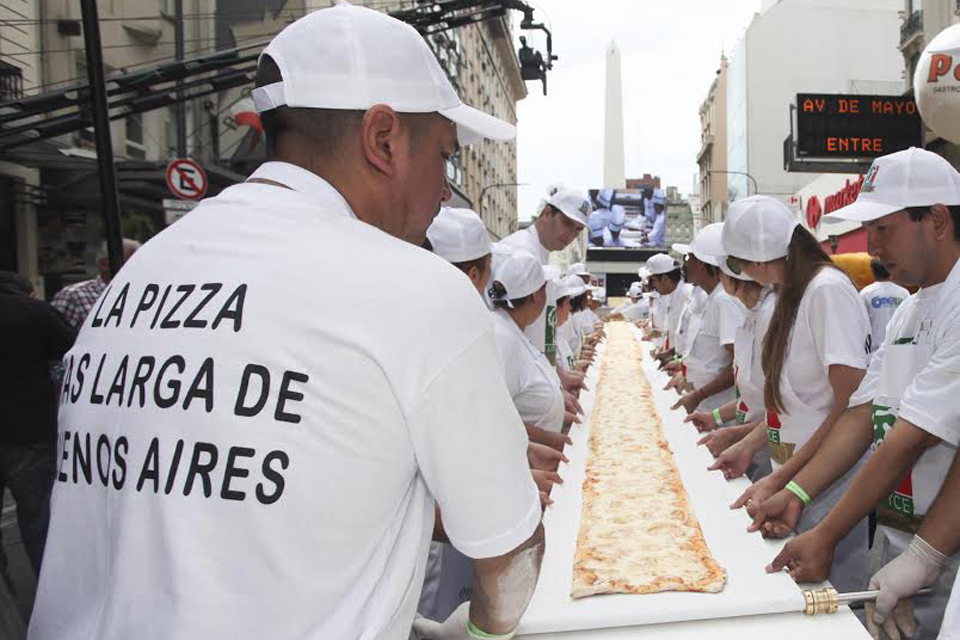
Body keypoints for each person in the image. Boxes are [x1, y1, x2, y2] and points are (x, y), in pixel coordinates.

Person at [31, 6, 544, 640]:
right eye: (443, 156)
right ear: (383, 138)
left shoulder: (145, 267)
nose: (444, 190)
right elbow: (509, 556)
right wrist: (479, 631)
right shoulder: (417, 288)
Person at [751, 148, 960, 640]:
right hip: (898, 533)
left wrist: (828, 533)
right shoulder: (911, 309)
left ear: (935, 219)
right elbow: (861, 415)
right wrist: (798, 494)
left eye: (884, 228)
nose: (872, 245)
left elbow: (910, 437)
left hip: (945, 546)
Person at [721, 195, 872, 594]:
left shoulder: (826, 291)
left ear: (754, 261)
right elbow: (791, 401)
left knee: (831, 600)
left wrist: (788, 482)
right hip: (795, 477)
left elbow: (850, 408)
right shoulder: (791, 293)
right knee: (796, 598)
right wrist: (757, 452)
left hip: (829, 479)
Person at [0, 272, 75, 588]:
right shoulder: (35, 312)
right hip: (27, 430)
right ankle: (47, 588)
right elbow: (73, 352)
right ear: (27, 291)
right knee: (37, 518)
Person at [683, 228, 776, 482]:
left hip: (778, 454)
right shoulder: (752, 313)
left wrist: (738, 435)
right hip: (754, 446)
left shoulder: (771, 314)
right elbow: (752, 394)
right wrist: (715, 417)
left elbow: (794, 408)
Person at [500, 186, 591, 363]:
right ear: (547, 213)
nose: (571, 234)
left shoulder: (541, 253)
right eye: (567, 223)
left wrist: (558, 374)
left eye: (578, 229)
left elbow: (542, 327)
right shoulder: (517, 251)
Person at [668, 224, 743, 414]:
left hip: (718, 409)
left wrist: (700, 394)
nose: (685, 265)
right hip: (705, 403)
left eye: (688, 258)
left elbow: (739, 365)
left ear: (702, 263)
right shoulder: (712, 298)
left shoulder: (724, 301)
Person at [50, 238, 141, 329]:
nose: (137, 270)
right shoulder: (73, 295)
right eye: (130, 265)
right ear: (105, 265)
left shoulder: (141, 297)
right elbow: (53, 337)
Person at [646, 253, 693, 363]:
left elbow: (694, 339)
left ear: (665, 278)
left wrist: (678, 361)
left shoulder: (688, 294)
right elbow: (672, 331)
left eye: (654, 281)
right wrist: (669, 352)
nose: (654, 286)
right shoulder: (671, 295)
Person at [860, 257, 909, 353]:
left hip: (874, 353)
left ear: (873, 271)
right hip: (899, 350)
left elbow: (860, 324)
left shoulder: (866, 293)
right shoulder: (904, 293)